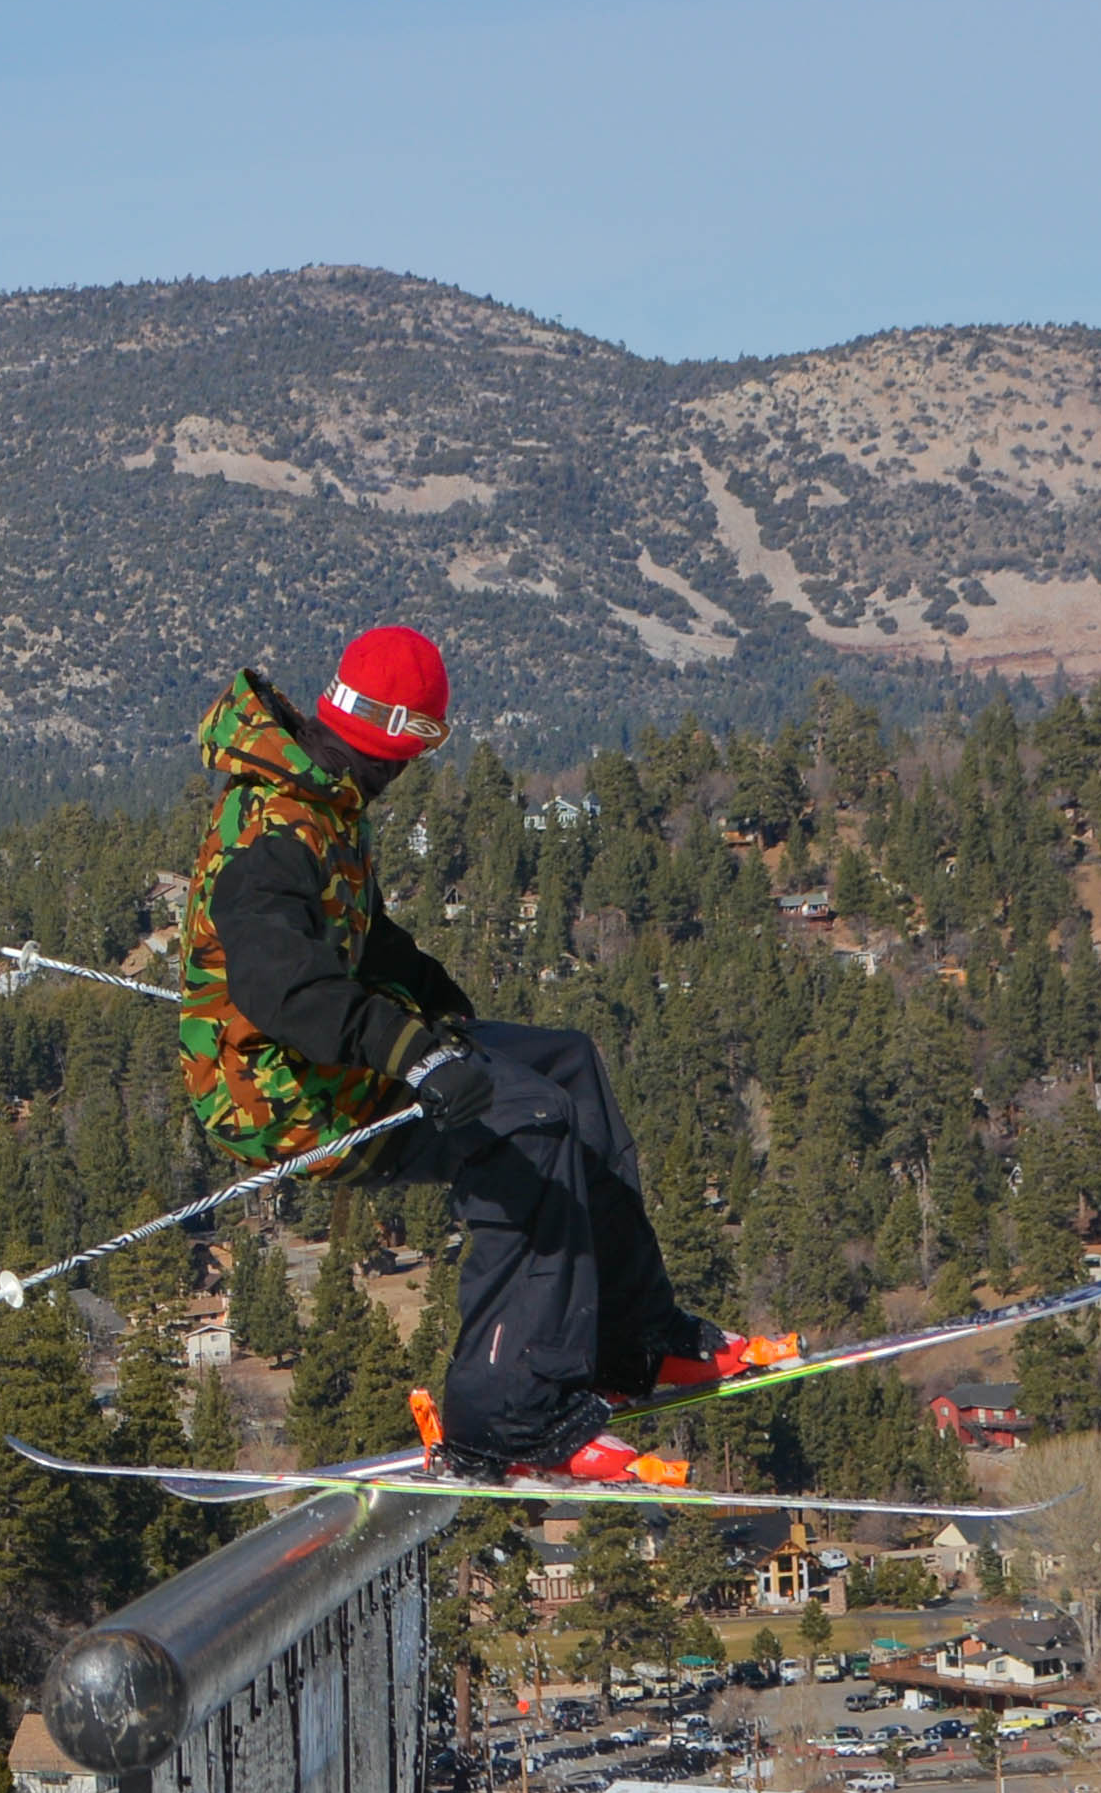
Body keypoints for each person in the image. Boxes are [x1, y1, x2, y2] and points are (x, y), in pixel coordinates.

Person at [177, 623, 790, 1484]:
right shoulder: (279, 824)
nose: (407, 773)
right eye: (415, 751)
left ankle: (629, 1337)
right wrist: (416, 1055)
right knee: (530, 1122)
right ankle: (505, 1412)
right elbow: (282, 983)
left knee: (564, 1064)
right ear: (401, 739)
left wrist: (431, 1001)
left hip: (333, 1059)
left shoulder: (321, 796)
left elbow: (358, 934)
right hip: (279, 1095)